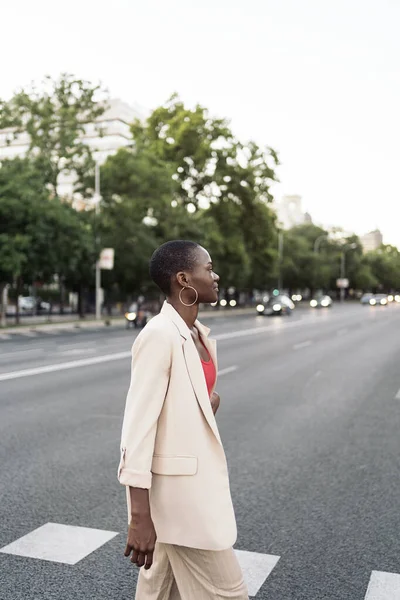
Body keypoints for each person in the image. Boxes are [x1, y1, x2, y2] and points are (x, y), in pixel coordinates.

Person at [118, 240, 248, 600]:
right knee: (229, 594)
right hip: (180, 503)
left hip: (185, 491)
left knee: (158, 593)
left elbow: (181, 408)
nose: (216, 275)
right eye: (209, 268)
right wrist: (139, 517)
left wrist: (207, 404)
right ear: (183, 279)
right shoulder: (160, 335)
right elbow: (138, 429)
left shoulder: (197, 334)